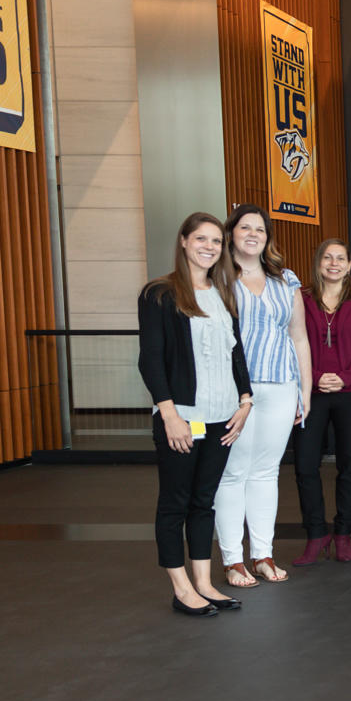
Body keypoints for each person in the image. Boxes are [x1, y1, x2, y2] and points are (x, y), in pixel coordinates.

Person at [137, 212, 252, 616]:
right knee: (176, 502)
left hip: (223, 417)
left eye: (216, 241)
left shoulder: (224, 293)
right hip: (183, 416)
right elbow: (151, 360)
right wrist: (169, 415)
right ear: (183, 241)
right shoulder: (160, 294)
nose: (209, 247)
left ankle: (204, 582)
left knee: (205, 501)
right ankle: (181, 587)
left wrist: (246, 401)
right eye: (201, 239)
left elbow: (236, 354)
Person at [214, 204, 312, 588]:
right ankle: (232, 560)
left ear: (267, 238)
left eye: (260, 229)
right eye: (245, 228)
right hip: (237, 390)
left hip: (281, 385)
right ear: (231, 233)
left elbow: (299, 336)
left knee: (267, 472)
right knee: (233, 472)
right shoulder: (220, 278)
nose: (253, 234)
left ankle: (262, 554)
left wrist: (305, 391)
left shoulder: (284, 279)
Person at [291, 238, 351, 566]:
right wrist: (314, 376)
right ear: (318, 262)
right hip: (309, 393)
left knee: (349, 465)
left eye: (340, 258)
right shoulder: (301, 299)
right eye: (327, 257)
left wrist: (344, 376)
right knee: (305, 466)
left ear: (349, 264)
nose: (333, 263)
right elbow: (291, 342)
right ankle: (316, 535)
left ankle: (343, 534)